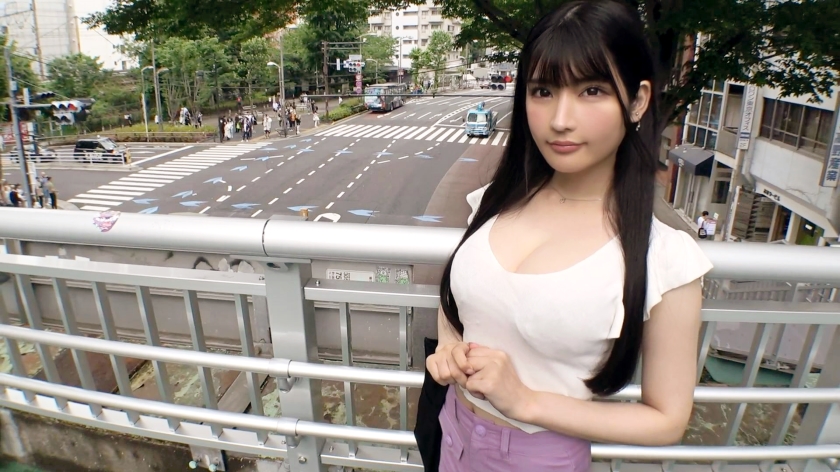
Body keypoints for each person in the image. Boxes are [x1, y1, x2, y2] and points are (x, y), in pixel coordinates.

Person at [417, 1, 714, 471]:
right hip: (451, 430)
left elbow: (667, 420)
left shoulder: (664, 257)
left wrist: (526, 401)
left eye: (591, 90)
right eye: (543, 91)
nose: (560, 119)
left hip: (539, 458)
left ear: (637, 101)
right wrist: (450, 347)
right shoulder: (494, 201)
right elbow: (459, 299)